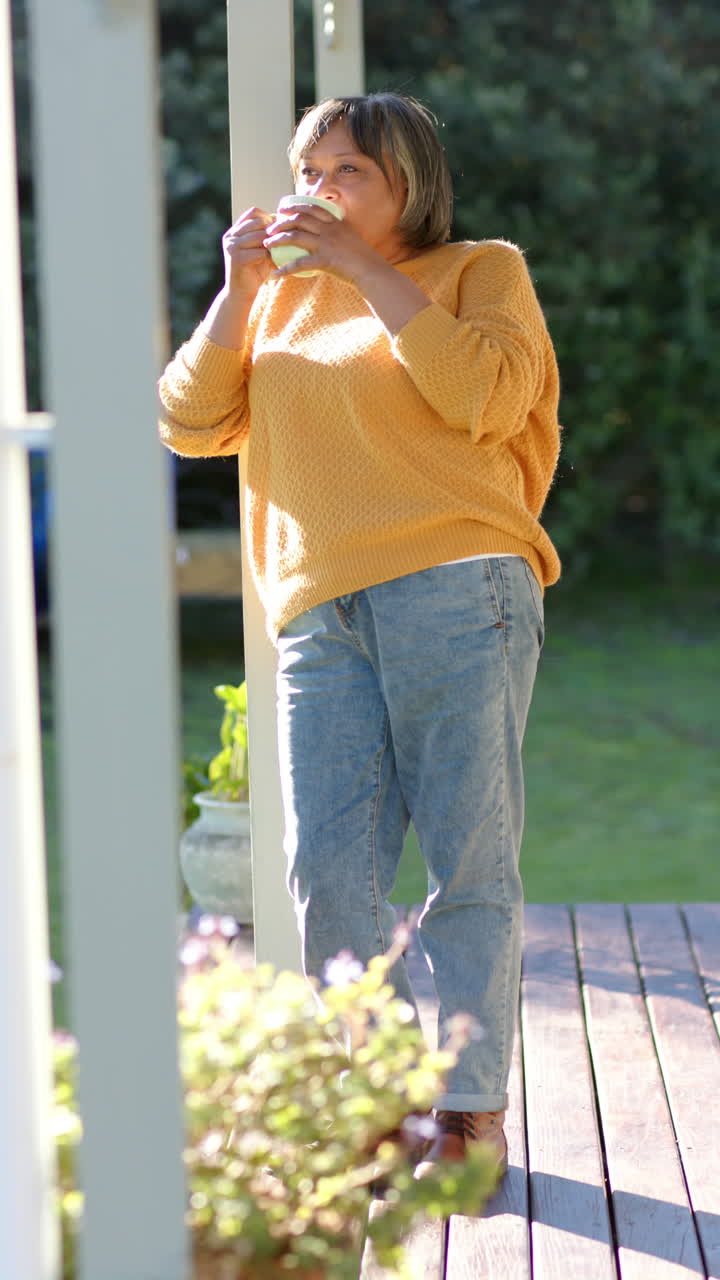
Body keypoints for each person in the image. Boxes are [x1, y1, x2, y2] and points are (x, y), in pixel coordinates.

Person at [158, 92, 561, 1177]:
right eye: (313, 171)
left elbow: (483, 394)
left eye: (351, 174)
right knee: (324, 869)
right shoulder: (280, 304)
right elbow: (188, 419)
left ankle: (471, 1108)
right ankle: (364, 1099)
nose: (322, 192)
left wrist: (364, 269)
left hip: (457, 584)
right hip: (319, 610)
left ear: (409, 184)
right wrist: (241, 290)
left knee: (469, 860)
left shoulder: (481, 271)